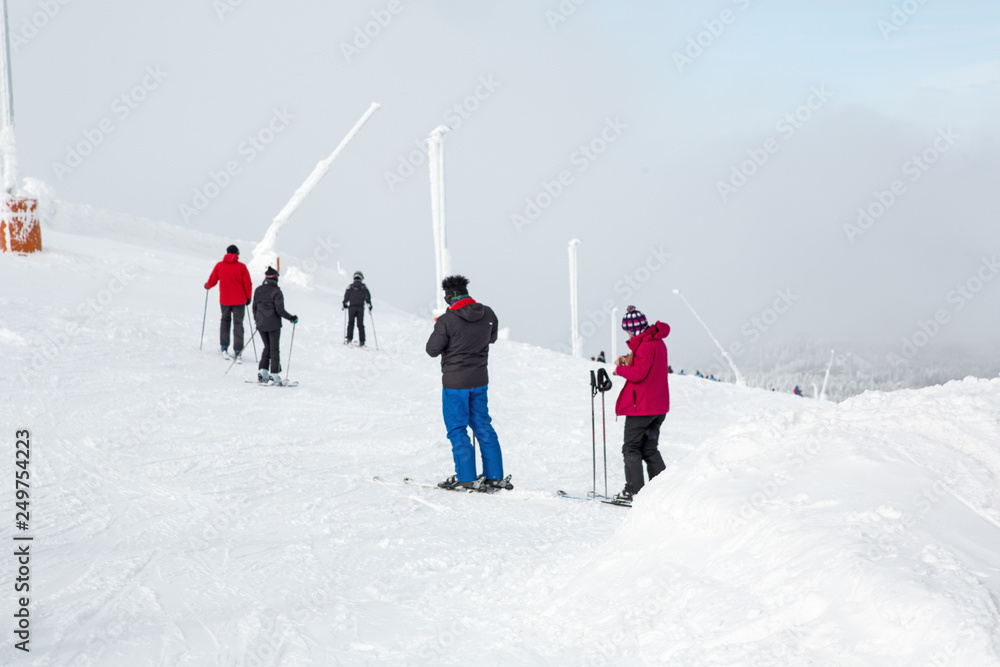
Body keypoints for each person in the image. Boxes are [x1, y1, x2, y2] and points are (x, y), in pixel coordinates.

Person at [425, 275, 505, 491]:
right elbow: (491, 338)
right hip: (479, 380)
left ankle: (467, 478)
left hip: (455, 383)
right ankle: (494, 476)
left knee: (457, 428)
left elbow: (432, 350)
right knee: (483, 425)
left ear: (450, 297)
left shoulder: (447, 320)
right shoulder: (488, 313)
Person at [612, 305, 670, 503]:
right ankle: (663, 490)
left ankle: (634, 492)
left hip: (642, 407)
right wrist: (629, 361)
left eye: (628, 331)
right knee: (649, 449)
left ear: (634, 329)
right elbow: (647, 369)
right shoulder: (657, 342)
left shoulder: (646, 345)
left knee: (631, 448)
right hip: (658, 407)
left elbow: (638, 374)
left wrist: (620, 369)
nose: (627, 335)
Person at [204, 244, 253, 361]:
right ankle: (238, 350)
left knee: (225, 321)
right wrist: (248, 297)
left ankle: (224, 346)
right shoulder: (242, 267)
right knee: (238, 324)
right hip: (240, 301)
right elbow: (248, 284)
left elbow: (213, 280)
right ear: (237, 254)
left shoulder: (219, 266)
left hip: (225, 300)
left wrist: (207, 286)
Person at [252, 266, 298, 385]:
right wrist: (291, 318)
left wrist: (257, 320)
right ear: (275, 279)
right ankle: (274, 375)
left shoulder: (258, 290)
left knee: (266, 347)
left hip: (261, 324)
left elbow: (254, 307)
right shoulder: (276, 291)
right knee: (274, 349)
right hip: (273, 325)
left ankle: (263, 373)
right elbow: (280, 310)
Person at [342, 271, 372, 347]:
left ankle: (349, 339)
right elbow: (367, 297)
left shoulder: (350, 287)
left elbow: (346, 296)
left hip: (351, 308)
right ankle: (362, 341)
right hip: (360, 308)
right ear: (361, 278)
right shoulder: (364, 287)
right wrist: (369, 305)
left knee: (350, 323)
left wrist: (344, 304)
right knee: (360, 325)